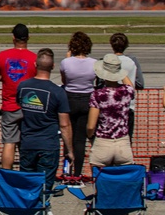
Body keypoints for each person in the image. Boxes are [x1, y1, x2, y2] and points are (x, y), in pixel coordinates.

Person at [16, 49, 71, 192]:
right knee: (45, 188)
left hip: (28, 143)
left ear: (35, 64)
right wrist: (70, 150)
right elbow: (64, 125)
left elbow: (20, 107)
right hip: (48, 145)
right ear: (53, 66)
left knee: (27, 186)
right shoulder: (58, 92)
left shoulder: (23, 87)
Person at [0, 23, 36, 169]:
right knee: (27, 144)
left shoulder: (2, 56)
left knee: (9, 143)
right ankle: (26, 175)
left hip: (9, 106)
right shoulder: (34, 58)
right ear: (28, 38)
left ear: (13, 38)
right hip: (29, 106)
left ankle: (6, 178)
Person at [88, 54, 135, 168]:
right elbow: (130, 85)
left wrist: (91, 137)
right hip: (122, 143)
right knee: (124, 181)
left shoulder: (98, 95)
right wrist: (120, 72)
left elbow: (90, 126)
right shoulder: (127, 91)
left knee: (99, 180)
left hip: (103, 142)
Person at [60, 31, 96, 177]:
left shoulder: (65, 62)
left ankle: (67, 172)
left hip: (70, 99)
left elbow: (64, 81)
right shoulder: (94, 63)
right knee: (80, 140)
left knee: (67, 137)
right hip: (87, 99)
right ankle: (77, 174)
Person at [108, 33, 144, 139]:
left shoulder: (107, 60)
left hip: (109, 105)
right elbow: (140, 83)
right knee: (127, 140)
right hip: (128, 106)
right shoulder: (132, 61)